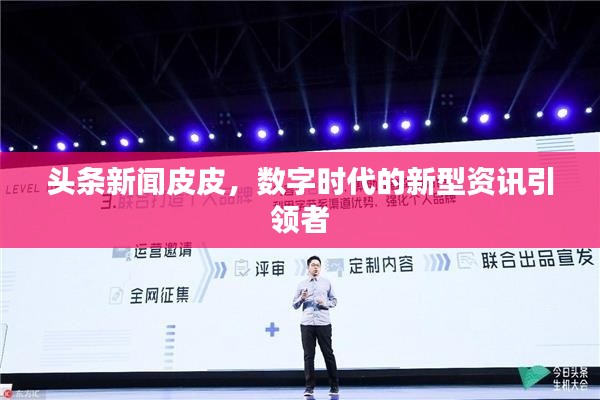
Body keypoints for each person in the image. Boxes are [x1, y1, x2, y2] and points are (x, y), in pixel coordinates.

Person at [292, 255, 339, 397]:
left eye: (318, 265)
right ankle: (309, 387)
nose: (316, 267)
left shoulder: (326, 283)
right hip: (307, 324)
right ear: (308, 267)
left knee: (328, 354)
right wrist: (302, 298)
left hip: (323, 323)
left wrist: (325, 303)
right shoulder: (301, 284)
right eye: (313, 265)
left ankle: (334, 386)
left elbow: (334, 301)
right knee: (308, 356)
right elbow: (294, 305)